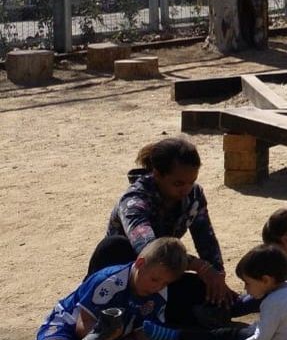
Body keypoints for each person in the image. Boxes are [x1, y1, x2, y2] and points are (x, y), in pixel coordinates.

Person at [4, 237, 190, 340]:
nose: (157, 287)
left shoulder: (159, 294)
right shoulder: (109, 281)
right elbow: (82, 327)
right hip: (68, 326)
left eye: (165, 283)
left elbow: (142, 331)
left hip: (112, 339)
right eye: (155, 279)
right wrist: (105, 334)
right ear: (140, 263)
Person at [90, 137, 233, 328]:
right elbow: (149, 249)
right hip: (126, 273)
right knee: (115, 245)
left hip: (160, 276)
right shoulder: (134, 201)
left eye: (191, 182)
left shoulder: (194, 195)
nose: (186, 189)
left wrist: (217, 278)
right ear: (157, 174)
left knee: (203, 290)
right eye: (178, 183)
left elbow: (205, 238)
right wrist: (200, 266)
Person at [187, 245, 287, 340]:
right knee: (240, 332)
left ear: (266, 280)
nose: (245, 288)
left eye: (247, 283)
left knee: (228, 336)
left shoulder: (273, 302)